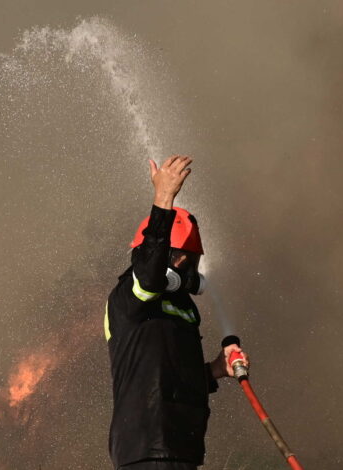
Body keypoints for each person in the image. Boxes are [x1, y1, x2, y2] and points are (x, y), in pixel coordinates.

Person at [104, 155, 249, 469]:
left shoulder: (184, 308)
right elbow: (149, 275)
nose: (185, 266)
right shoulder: (131, 295)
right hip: (146, 451)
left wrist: (213, 371)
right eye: (179, 256)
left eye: (191, 259)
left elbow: (171, 376)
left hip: (183, 450)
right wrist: (163, 199)